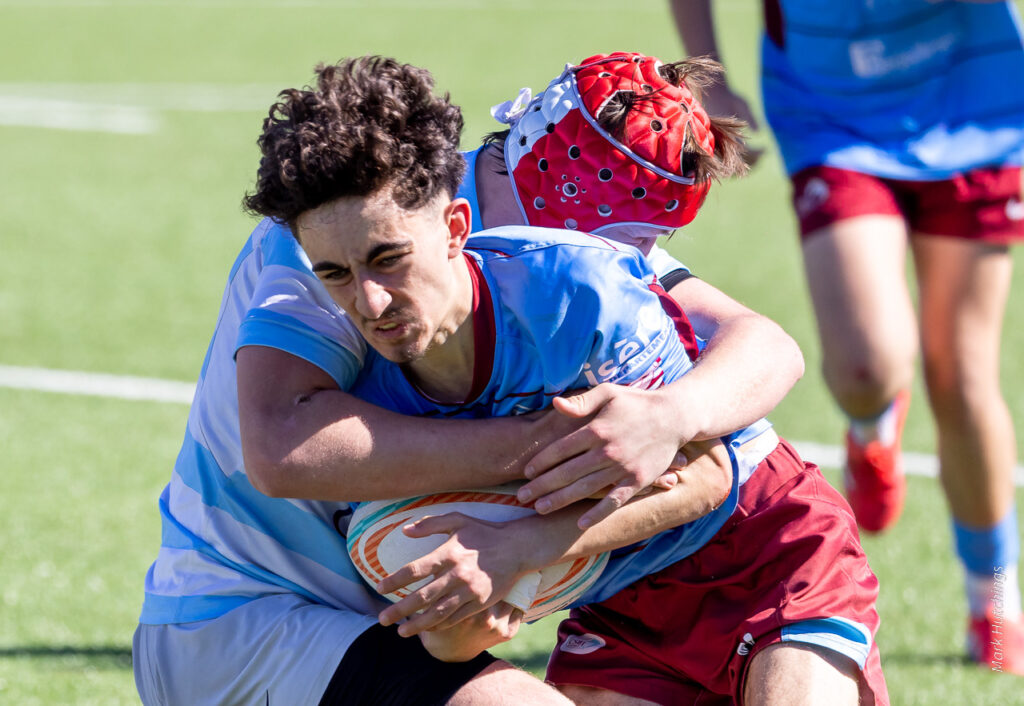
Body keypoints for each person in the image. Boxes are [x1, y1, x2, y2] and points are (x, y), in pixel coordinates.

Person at [132, 53, 804, 705]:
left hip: (384, 623)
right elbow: (283, 445)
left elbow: (762, 346)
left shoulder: (564, 251)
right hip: (246, 621)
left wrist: (671, 415)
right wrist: (571, 442)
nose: (625, 260)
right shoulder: (356, 225)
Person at [672, 0, 1024, 673]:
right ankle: (871, 426)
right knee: (866, 366)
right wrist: (707, 71)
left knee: (963, 379)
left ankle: (996, 601)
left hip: (975, 106)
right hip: (832, 115)